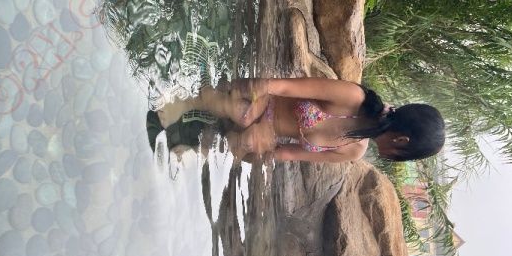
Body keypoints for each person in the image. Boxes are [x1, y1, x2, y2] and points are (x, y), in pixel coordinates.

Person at [155, 77, 445, 163]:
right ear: (402, 140)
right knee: (242, 112)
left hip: (264, 132)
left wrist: (257, 150)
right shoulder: (353, 98)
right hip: (262, 101)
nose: (399, 160)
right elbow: (281, 87)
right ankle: (184, 104)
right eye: (408, 156)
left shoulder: (354, 151)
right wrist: (253, 96)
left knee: (248, 144)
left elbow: (288, 154)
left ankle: (202, 143)